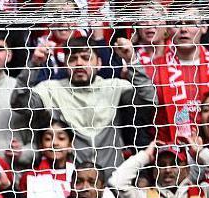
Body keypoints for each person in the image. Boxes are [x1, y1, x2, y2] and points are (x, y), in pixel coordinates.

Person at [10, 36, 154, 174]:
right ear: (65, 64)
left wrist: (132, 60)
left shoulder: (115, 87)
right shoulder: (51, 89)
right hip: (71, 182)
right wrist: (34, 64)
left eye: (86, 58)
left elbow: (149, 100)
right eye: (72, 59)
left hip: (113, 180)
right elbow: (19, 104)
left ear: (99, 63)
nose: (79, 63)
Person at [150, 8, 209, 146]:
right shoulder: (152, 70)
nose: (183, 29)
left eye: (190, 23)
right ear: (167, 29)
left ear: (204, 27)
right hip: (170, 153)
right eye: (177, 23)